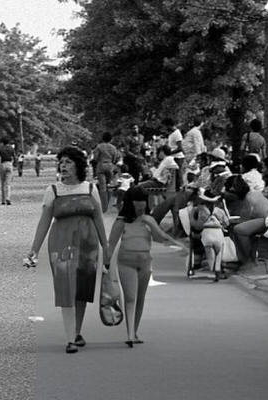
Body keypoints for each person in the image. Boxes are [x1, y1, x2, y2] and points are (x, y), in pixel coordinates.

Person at [26, 146, 109, 353]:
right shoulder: (53, 191)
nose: (63, 166)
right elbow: (44, 221)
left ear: (78, 165)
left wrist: (105, 246)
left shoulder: (90, 189)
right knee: (66, 288)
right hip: (61, 244)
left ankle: (77, 331)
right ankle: (70, 338)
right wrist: (34, 249)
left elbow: (98, 217)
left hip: (88, 244)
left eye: (68, 162)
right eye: (61, 162)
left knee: (82, 288)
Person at [104, 185, 184, 346]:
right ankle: (129, 334)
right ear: (130, 204)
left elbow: (160, 237)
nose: (140, 208)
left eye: (142, 205)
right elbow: (111, 244)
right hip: (126, 263)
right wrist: (105, 266)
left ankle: (134, 331)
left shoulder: (148, 219)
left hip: (145, 263)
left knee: (140, 298)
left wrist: (178, 245)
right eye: (137, 205)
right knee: (130, 298)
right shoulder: (121, 221)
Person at [190, 188, 231, 281]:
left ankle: (212, 269)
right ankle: (218, 270)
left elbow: (194, 224)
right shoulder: (219, 210)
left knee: (209, 253)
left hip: (205, 234)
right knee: (218, 253)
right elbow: (227, 223)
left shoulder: (198, 209)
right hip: (218, 233)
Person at [91, 131, 120, 212]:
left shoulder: (99, 147)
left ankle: (104, 207)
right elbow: (115, 158)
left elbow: (95, 158)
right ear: (111, 139)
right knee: (109, 186)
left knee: (102, 187)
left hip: (101, 166)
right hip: (110, 166)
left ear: (102, 138)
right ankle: (109, 205)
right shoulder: (113, 148)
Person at [0, 135, 17, 205]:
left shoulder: (0, 148)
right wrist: (15, 164)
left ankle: (3, 200)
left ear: (2, 142)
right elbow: (15, 157)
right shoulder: (11, 148)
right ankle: (8, 198)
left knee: (2, 183)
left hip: (3, 164)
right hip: (9, 164)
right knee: (8, 183)